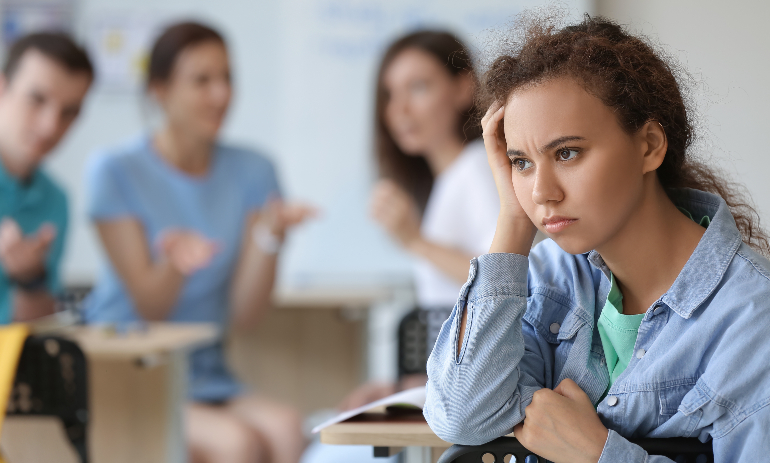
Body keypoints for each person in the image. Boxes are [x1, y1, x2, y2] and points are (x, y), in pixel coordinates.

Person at [424, 13, 770, 462]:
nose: (542, 193)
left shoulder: (750, 318)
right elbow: (460, 415)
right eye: (521, 163)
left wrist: (598, 453)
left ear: (649, 146)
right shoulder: (553, 278)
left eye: (567, 153)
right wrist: (512, 220)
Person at [83, 22, 311, 463]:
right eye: (202, 80)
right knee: (237, 444)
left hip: (207, 372)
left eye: (227, 78)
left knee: (287, 430)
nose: (221, 94)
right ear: (160, 89)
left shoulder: (255, 170)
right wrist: (174, 261)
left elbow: (245, 316)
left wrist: (269, 237)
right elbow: (152, 309)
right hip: (129, 371)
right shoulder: (114, 170)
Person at [301, 30, 499, 463]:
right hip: (448, 387)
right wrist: (401, 385)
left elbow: (505, 278)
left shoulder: (476, 169)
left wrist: (415, 240)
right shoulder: (449, 180)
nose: (400, 110)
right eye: (390, 94)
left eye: (419, 87)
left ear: (464, 88)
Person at [0, 33, 93, 324]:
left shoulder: (55, 200)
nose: (50, 126)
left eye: (69, 112)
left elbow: (32, 329)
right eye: (37, 99)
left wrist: (30, 278)